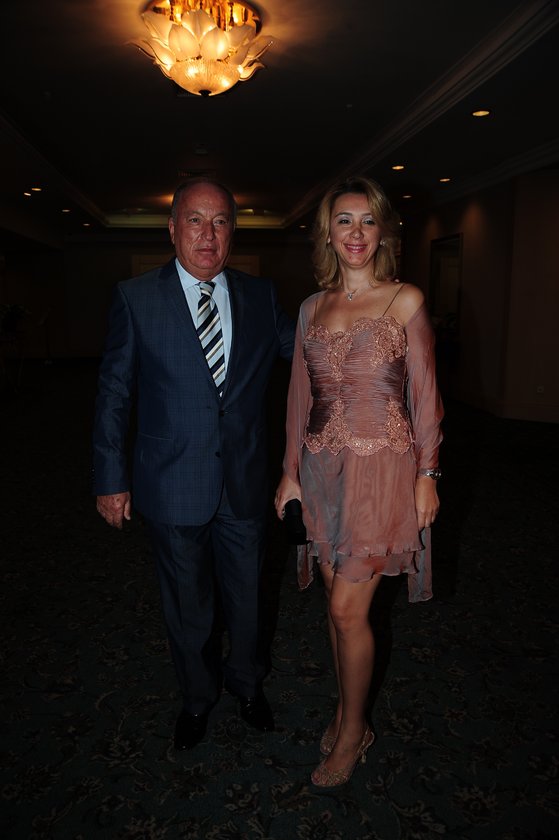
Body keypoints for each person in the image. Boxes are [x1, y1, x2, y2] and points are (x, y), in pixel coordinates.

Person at [93, 177, 295, 750]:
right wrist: (110, 478)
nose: (208, 235)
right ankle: (198, 697)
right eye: (195, 221)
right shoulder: (136, 298)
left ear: (233, 231)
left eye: (221, 221)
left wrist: (365, 313)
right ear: (172, 228)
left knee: (249, 599)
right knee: (189, 606)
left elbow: (310, 351)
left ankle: (248, 685)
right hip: (170, 481)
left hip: (245, 481)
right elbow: (114, 395)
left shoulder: (261, 297)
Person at [275, 176, 443, 787]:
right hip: (322, 472)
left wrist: (428, 474)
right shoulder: (310, 309)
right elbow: (299, 397)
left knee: (348, 610)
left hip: (382, 473)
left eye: (367, 220)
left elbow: (426, 397)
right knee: (336, 607)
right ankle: (348, 710)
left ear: (383, 232)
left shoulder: (405, 300)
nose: (356, 232)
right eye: (344, 220)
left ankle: (353, 732)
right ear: (327, 232)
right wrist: (289, 472)